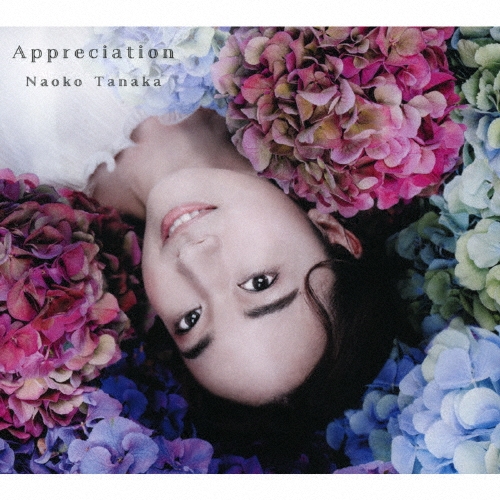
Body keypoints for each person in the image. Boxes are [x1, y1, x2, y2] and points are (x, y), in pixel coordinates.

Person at [0, 27, 411, 466]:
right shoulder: (276, 45)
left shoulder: (25, 195)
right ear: (332, 232)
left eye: (191, 320)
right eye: (259, 282)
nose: (193, 259)